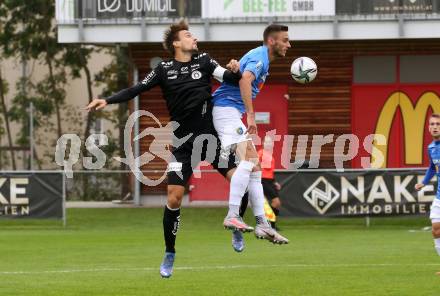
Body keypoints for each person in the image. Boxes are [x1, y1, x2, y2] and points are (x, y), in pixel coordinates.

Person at [86, 20, 249, 278]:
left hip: (211, 139)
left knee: (241, 180)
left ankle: (236, 224)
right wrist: (106, 99)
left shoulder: (205, 61)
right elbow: (136, 89)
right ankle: (170, 252)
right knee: (173, 197)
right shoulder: (163, 69)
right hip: (183, 144)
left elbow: (228, 76)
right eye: (188, 35)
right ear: (176, 43)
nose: (193, 38)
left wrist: (235, 69)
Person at [212, 24, 291, 246]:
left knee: (255, 169)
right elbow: (245, 79)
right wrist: (251, 116)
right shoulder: (261, 57)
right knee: (249, 162)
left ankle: (263, 224)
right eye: (285, 40)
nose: (289, 44)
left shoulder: (262, 59)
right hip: (226, 111)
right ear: (272, 41)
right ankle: (232, 215)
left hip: (229, 111)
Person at [415, 113, 440, 276]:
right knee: (436, 229)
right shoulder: (431, 147)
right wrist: (423, 182)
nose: (435, 126)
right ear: (428, 127)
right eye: (432, 124)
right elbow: (432, 167)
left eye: (438, 124)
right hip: (439, 195)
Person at [258, 135, 283, 230]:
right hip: (263, 180)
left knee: (277, 203)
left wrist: (275, 182)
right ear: (263, 143)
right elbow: (254, 165)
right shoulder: (260, 153)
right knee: (275, 202)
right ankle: (269, 225)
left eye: (270, 142)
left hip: (270, 181)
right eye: (266, 142)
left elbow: (270, 172)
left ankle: (270, 225)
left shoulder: (270, 155)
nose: (268, 144)